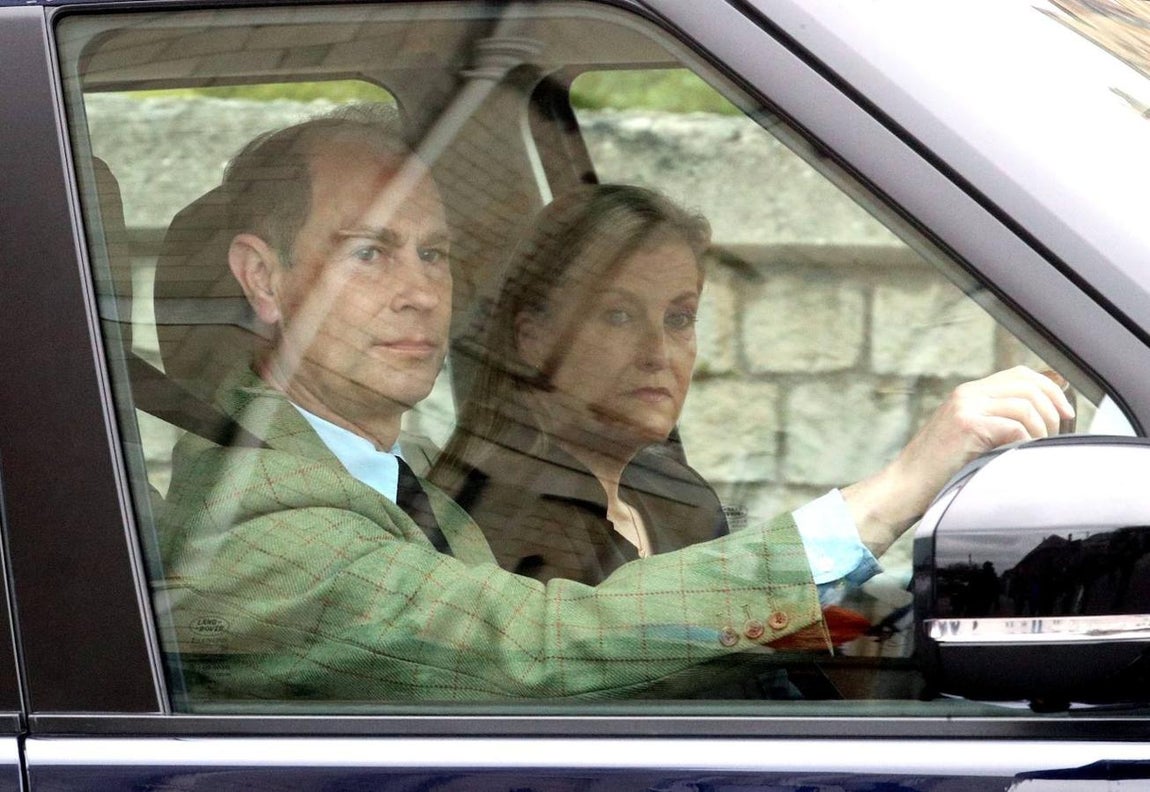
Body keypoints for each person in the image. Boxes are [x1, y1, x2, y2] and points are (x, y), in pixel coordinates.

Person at [158, 106, 830, 705]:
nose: (422, 293)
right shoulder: (251, 515)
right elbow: (535, 649)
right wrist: (849, 528)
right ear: (263, 278)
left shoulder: (409, 479)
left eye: (434, 254)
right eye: (369, 253)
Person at [429, 184, 1078, 598]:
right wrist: (905, 480)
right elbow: (649, 636)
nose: (659, 352)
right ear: (533, 337)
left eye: (679, 317)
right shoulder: (494, 525)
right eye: (619, 315)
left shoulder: (673, 495)